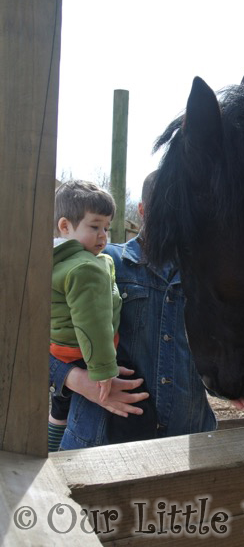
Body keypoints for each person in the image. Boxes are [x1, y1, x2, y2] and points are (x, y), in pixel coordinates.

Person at [48, 173, 217, 450]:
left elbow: (216, 360)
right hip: (99, 445)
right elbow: (39, 342)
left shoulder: (210, 279)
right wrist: (78, 380)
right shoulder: (100, 264)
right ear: (142, 210)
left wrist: (239, 386)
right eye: (165, 210)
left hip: (189, 442)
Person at [48, 180, 157, 451]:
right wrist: (103, 371)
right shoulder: (86, 268)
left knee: (60, 408)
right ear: (65, 226)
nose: (103, 236)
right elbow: (93, 326)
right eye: (95, 227)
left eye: (106, 228)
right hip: (88, 356)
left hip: (63, 350)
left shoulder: (53, 261)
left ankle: (50, 449)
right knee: (136, 409)